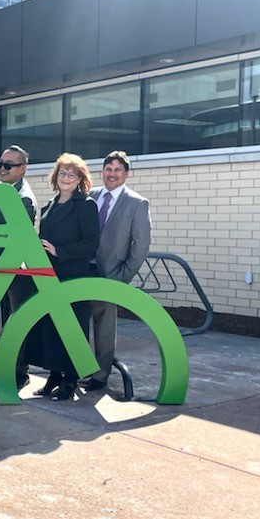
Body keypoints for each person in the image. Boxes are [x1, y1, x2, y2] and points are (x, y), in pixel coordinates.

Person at [30, 153, 99, 400]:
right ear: (55, 176)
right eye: (62, 173)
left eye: (72, 174)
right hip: (49, 276)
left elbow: (91, 244)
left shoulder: (86, 205)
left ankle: (70, 380)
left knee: (72, 329)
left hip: (73, 276)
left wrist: (60, 251)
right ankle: (54, 377)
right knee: (51, 328)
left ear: (80, 178)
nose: (66, 178)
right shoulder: (49, 205)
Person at [85, 150, 151, 391]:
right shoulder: (89, 196)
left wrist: (122, 277)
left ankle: (100, 375)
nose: (112, 174)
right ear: (102, 172)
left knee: (104, 326)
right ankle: (78, 369)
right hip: (81, 271)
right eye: (108, 169)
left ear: (126, 174)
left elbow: (140, 245)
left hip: (110, 274)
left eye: (117, 170)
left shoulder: (137, 203)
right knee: (77, 322)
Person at [0, 145, 38, 391]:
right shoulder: (0, 193)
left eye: (8, 165)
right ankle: (4, 365)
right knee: (5, 319)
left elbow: (14, 238)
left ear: (22, 169)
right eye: (0, 163)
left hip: (16, 272)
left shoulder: (23, 198)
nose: (1, 169)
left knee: (17, 323)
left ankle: (18, 373)